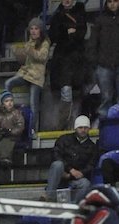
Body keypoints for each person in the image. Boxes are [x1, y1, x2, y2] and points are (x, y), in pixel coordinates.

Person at [87, 0, 119, 120]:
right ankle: (105, 126)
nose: (112, 4)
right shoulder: (100, 19)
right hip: (103, 65)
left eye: (115, 1)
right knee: (106, 98)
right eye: (109, 1)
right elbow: (93, 43)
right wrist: (95, 63)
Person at [48, 0, 88, 130]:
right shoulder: (57, 16)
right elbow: (53, 35)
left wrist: (67, 33)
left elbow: (81, 33)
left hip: (77, 62)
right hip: (62, 61)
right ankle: (64, 125)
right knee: (66, 93)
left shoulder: (80, 13)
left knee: (77, 96)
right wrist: (67, 32)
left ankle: (74, 126)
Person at [4, 17, 50, 131]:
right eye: (31, 28)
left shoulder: (45, 43)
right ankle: (9, 111)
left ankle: (32, 130)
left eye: (36, 29)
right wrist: (18, 52)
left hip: (36, 77)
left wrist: (29, 51)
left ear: (41, 31)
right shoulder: (29, 41)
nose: (33, 31)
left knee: (33, 105)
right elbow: (26, 58)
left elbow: (42, 57)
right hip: (26, 73)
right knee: (8, 83)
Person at [42, 114, 97, 202]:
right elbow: (56, 155)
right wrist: (70, 170)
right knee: (57, 164)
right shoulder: (64, 139)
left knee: (85, 183)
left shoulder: (92, 147)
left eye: (85, 128)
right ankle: (49, 196)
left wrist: (80, 173)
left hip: (76, 178)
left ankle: (74, 205)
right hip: (61, 174)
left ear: (89, 129)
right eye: (80, 127)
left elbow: (91, 165)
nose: (83, 130)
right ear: (75, 128)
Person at [0, 90, 25, 169]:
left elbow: (20, 126)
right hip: (2, 135)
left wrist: (11, 131)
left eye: (11, 100)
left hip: (13, 136)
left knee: (6, 142)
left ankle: (5, 159)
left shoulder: (17, 113)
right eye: (6, 101)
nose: (9, 103)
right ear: (2, 103)